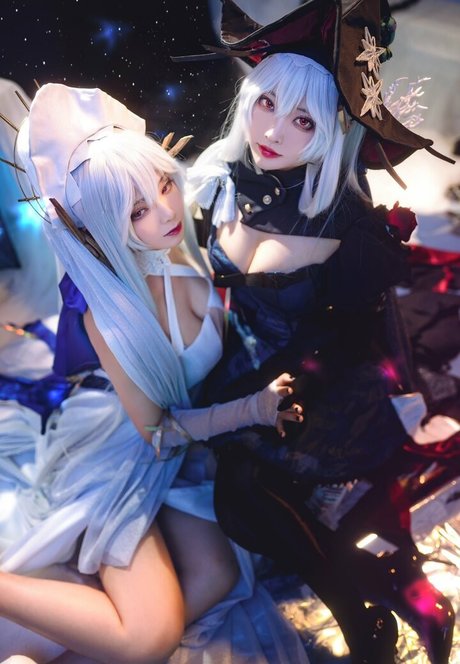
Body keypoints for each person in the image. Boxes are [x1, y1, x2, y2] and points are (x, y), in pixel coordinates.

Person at [182, 1, 458, 662]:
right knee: (240, 502)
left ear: (330, 127)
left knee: (242, 498)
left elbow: (352, 338)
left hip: (328, 383)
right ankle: (398, 591)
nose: (274, 130)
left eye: (302, 119)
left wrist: (277, 389)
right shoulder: (221, 178)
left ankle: (368, 621)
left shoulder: (346, 220)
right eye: (266, 102)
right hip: (250, 364)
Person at [0, 82, 308, 663]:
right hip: (126, 449)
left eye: (163, 184)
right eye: (136, 210)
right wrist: (250, 409)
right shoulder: (108, 315)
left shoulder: (179, 240)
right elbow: (158, 434)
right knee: (150, 637)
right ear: (103, 227)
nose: (164, 211)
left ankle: (78, 637)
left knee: (218, 577)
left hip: (184, 450)